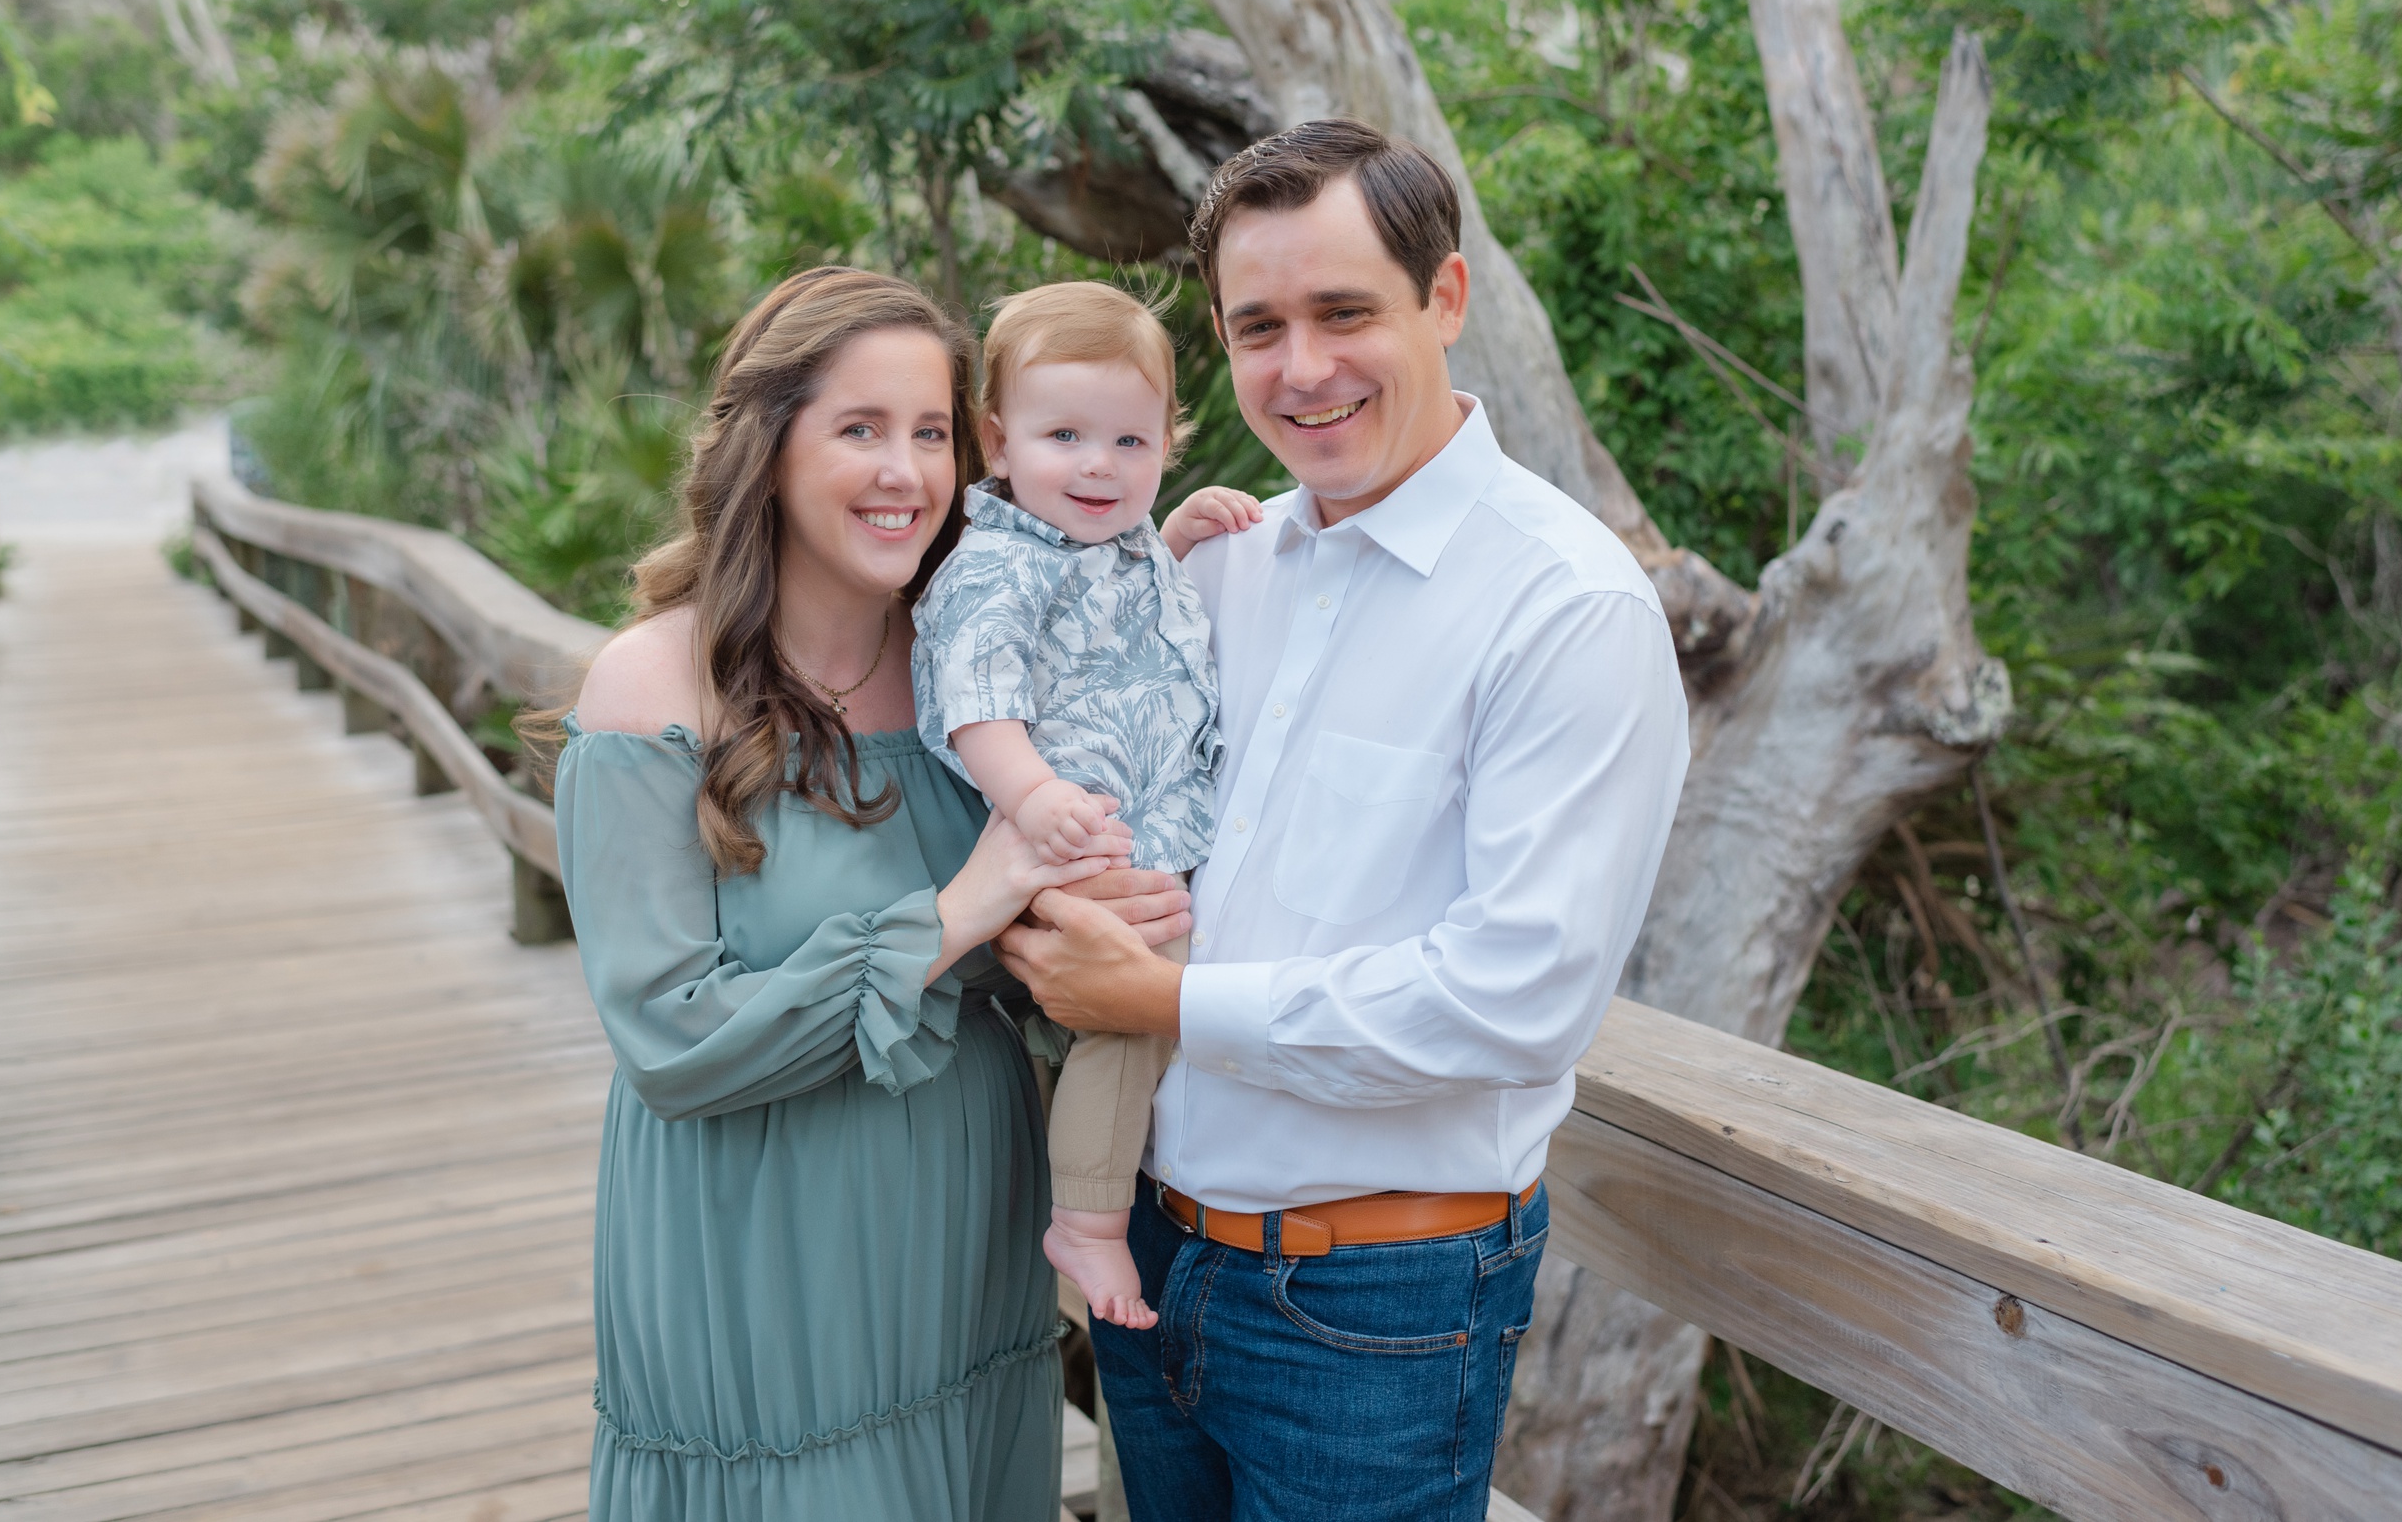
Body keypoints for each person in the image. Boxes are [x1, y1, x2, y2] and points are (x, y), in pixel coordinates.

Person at [994, 120, 1691, 1521]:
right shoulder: (1224, 568)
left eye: (1344, 312)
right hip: (1152, 1245)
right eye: (1259, 328)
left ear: (1444, 299)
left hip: (1376, 1301)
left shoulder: (1566, 607)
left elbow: (1520, 997)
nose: (1302, 369)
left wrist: (1167, 998)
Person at [551, 267, 1185, 1520]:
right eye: (860, 429)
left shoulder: (971, 675)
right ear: (768, 445)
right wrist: (962, 908)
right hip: (765, 1259)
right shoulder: (651, 688)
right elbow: (669, 1039)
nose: (906, 470)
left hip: (964, 1247)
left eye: (933, 432)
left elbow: (1040, 954)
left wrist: (1106, 926)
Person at [910, 280, 1263, 1331]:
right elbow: (980, 703)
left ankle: (1104, 1199)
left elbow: (1139, 631)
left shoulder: (1119, 539)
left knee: (1150, 1002)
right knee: (1129, 1016)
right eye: (1063, 434)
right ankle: (1090, 1222)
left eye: (1129, 439)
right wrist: (1035, 794)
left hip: (1134, 833)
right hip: (1069, 840)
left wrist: (1183, 541)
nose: (1099, 465)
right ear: (997, 442)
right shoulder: (998, 568)